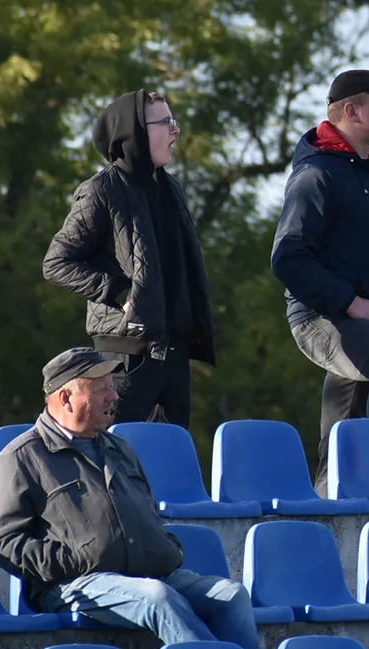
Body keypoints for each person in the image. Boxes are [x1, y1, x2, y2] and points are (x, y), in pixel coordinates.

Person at [0, 348, 270, 649]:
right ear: (66, 397)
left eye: (112, 386)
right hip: (77, 582)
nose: (115, 396)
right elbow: (6, 542)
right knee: (158, 599)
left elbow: (148, 512)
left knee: (231, 595)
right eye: (102, 388)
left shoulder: (120, 449)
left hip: (149, 573)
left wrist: (167, 546)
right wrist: (73, 560)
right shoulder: (22, 456)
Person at [271, 69, 369, 495]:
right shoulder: (316, 175)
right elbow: (288, 258)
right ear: (352, 110)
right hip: (321, 317)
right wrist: (352, 304)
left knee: (342, 435)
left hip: (363, 324)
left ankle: (328, 500)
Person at [43, 90, 216, 429]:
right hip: (123, 358)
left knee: (169, 464)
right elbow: (57, 263)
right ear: (133, 132)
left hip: (175, 354)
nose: (175, 130)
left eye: (173, 121)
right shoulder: (101, 190)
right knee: (116, 458)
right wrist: (122, 294)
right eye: (165, 122)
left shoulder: (172, 189)